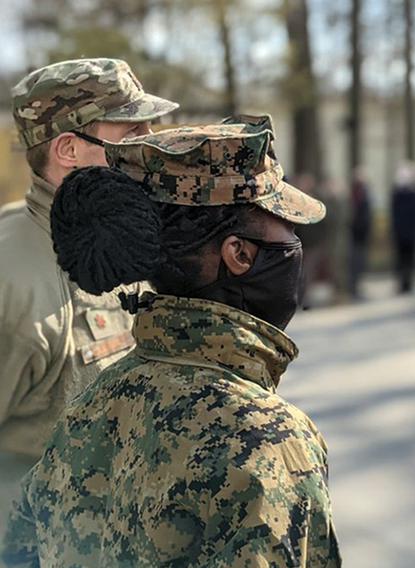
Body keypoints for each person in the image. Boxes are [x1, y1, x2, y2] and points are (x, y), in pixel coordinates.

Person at [1, 116, 341, 566]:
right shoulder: (268, 439)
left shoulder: (88, 407)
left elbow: (22, 546)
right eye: (285, 225)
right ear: (239, 254)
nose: (294, 241)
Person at [0, 58, 178, 535]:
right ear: (69, 150)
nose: (150, 149)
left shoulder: (120, 238)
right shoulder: (11, 280)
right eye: (132, 136)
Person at [391, 161, 415, 294]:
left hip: (410, 232)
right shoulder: (398, 192)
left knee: (409, 259)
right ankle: (403, 283)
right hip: (402, 232)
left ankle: (408, 283)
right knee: (401, 259)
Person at [348, 167, 373, 300]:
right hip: (355, 234)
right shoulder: (355, 194)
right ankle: (353, 288)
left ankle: (356, 286)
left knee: (359, 262)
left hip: (362, 234)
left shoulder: (363, 193)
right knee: (355, 262)